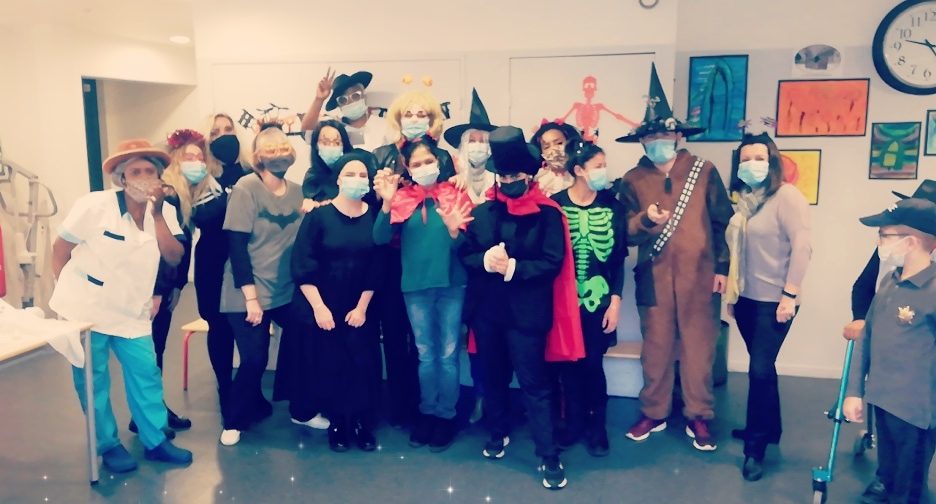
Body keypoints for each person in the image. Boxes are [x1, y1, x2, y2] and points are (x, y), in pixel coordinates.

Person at [49, 139, 193, 473]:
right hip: (86, 308)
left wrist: (157, 215)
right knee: (93, 379)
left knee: (146, 373)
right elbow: (60, 248)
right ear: (122, 178)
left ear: (159, 178)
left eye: (149, 171)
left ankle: (155, 440)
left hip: (131, 310)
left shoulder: (165, 212)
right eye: (135, 172)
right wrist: (65, 295)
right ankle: (108, 444)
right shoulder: (95, 205)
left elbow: (174, 256)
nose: (143, 178)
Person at [459, 125, 584, 490]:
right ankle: (497, 432)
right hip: (488, 313)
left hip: (527, 315)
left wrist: (513, 267)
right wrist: (485, 260)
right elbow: (465, 254)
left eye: (515, 176)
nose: (509, 182)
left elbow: (553, 261)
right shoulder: (483, 212)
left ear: (528, 175)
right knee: (493, 378)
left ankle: (548, 454)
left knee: (535, 384)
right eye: (504, 176)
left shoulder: (548, 213)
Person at [616, 63, 733, 451]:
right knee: (656, 349)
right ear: (642, 142)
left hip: (700, 276)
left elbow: (722, 222)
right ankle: (654, 410)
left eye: (664, 135)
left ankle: (699, 414)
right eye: (650, 137)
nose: (658, 142)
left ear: (679, 136)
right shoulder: (632, 179)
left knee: (700, 348)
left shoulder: (704, 171)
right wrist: (645, 221)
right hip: (654, 278)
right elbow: (624, 232)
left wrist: (722, 267)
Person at [373, 139, 474, 452]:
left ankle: (446, 415)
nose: (423, 167)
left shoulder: (455, 194)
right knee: (426, 354)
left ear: (438, 162)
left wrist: (455, 232)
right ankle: (427, 412)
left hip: (452, 284)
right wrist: (386, 203)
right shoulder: (403, 198)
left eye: (428, 161)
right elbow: (379, 238)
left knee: (448, 354)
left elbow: (469, 247)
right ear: (407, 168)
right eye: (416, 164)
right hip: (415, 287)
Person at [722, 133, 811, 481]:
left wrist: (790, 294)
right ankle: (770, 429)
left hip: (775, 302)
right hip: (746, 299)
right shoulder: (746, 200)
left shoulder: (787, 196)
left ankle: (755, 449)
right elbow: (739, 253)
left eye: (759, 158)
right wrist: (734, 296)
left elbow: (802, 246)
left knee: (758, 371)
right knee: (764, 368)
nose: (752, 164)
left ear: (772, 161)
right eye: (745, 159)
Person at [841, 179, 935, 503]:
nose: (879, 242)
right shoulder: (888, 283)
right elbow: (866, 338)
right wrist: (855, 391)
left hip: (917, 412)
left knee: (909, 489)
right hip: (882, 401)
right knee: (891, 475)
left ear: (910, 242)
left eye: (884, 235)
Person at [288, 149, 383, 452]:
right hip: (324, 303)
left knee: (362, 363)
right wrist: (319, 307)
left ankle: (362, 422)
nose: (357, 179)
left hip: (360, 304)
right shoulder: (319, 216)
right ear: (338, 179)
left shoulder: (374, 216)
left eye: (363, 175)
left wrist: (362, 307)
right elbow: (302, 262)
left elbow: (377, 265)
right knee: (331, 363)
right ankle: (339, 422)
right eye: (350, 174)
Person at [218, 125, 306, 446]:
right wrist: (251, 299)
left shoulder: (298, 192)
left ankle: (301, 408)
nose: (278, 156)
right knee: (254, 359)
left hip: (284, 290)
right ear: (258, 157)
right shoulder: (246, 188)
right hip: (246, 291)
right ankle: (234, 421)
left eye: (283, 149)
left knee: (307, 340)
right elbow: (237, 246)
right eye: (270, 150)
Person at [552, 140, 628, 457]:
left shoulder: (613, 207)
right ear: (579, 170)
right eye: (598, 166)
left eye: (604, 165)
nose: (603, 172)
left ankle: (597, 428)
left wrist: (615, 301)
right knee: (569, 366)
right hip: (563, 303)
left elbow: (618, 259)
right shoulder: (555, 206)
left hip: (598, 301)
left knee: (594, 365)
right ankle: (574, 424)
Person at [192, 113, 251, 427]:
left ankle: (250, 391)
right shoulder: (201, 176)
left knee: (249, 327)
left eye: (229, 130)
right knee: (218, 327)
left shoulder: (250, 171)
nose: (223, 136)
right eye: (215, 132)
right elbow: (201, 217)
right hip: (212, 260)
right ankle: (224, 389)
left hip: (246, 259)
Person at [373, 89, 456, 180]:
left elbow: (449, 187)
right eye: (408, 115)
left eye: (421, 115)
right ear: (398, 120)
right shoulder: (380, 155)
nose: (414, 120)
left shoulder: (443, 156)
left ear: (431, 121)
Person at [300, 69, 388, 152]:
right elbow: (307, 134)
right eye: (343, 100)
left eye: (355, 96)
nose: (351, 102)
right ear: (339, 105)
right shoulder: (333, 129)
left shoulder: (384, 125)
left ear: (364, 96)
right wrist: (319, 99)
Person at [444, 88, 497, 205]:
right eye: (472, 141)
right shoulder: (451, 171)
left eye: (482, 141)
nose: (477, 145)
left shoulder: (501, 176)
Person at [300, 119, 353, 212]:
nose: (331, 147)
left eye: (337, 143)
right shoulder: (312, 177)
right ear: (316, 145)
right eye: (325, 142)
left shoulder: (354, 172)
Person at [530, 121, 582, 197]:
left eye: (559, 143)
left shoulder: (581, 175)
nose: (554, 149)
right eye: (546, 147)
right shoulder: (539, 180)